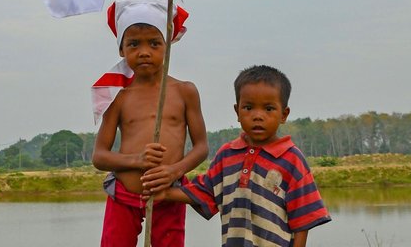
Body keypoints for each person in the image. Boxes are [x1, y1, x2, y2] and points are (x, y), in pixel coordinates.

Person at [142, 65, 331, 247]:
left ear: (284, 114)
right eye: (248, 108)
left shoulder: (291, 159)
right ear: (237, 112)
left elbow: (303, 219)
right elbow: (205, 192)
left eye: (268, 109)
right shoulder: (227, 155)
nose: (258, 116)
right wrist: (166, 193)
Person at [92, 0, 209, 247]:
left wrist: (173, 171)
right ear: (122, 49)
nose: (144, 52)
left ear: (167, 46)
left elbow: (201, 148)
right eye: (134, 44)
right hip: (123, 194)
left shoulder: (184, 91)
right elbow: (99, 156)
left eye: (154, 43)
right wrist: (138, 160)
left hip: (168, 193)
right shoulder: (118, 97)